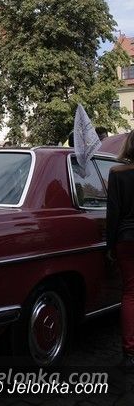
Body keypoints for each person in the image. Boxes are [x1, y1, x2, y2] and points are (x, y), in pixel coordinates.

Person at [106, 130, 134, 368]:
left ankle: (130, 353)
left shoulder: (117, 173)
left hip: (127, 238)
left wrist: (110, 246)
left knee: (130, 294)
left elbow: (113, 214)